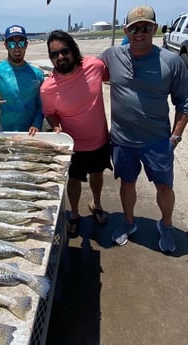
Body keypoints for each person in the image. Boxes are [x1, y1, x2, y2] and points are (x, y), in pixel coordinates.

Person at [99, 5, 188, 252]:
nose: (139, 33)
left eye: (145, 28)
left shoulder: (171, 61)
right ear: (126, 30)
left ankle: (166, 225)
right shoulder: (112, 55)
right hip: (122, 140)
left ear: (155, 29)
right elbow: (84, 73)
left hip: (158, 140)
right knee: (126, 183)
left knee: (164, 187)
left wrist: (175, 137)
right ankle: (129, 223)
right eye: (134, 28)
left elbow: (185, 101)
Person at [40, 30, 112, 235]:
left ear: (73, 49)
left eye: (64, 51)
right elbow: (49, 113)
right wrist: (55, 126)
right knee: (73, 180)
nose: (60, 57)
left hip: (99, 140)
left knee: (97, 174)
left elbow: (121, 75)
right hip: (72, 145)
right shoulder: (47, 88)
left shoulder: (94, 66)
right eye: (54, 54)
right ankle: (74, 213)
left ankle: (97, 204)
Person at [0, 24, 44, 136]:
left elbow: (41, 106)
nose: (17, 48)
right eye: (12, 44)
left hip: (34, 135)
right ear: (6, 46)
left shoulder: (37, 75)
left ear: (26, 45)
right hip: (8, 135)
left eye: (21, 43)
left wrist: (37, 124)